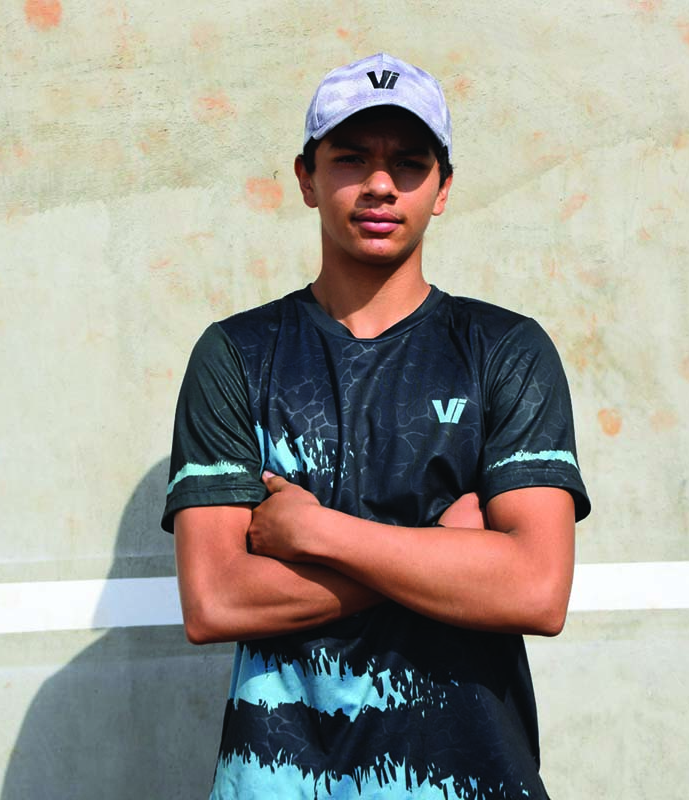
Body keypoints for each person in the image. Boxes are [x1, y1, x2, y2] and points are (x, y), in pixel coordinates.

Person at [162, 52, 590, 799]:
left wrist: (319, 533)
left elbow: (535, 591)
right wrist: (445, 551)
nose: (381, 184)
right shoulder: (237, 356)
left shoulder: (505, 351)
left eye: (410, 163)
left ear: (443, 187)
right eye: (352, 158)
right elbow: (216, 601)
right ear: (306, 178)